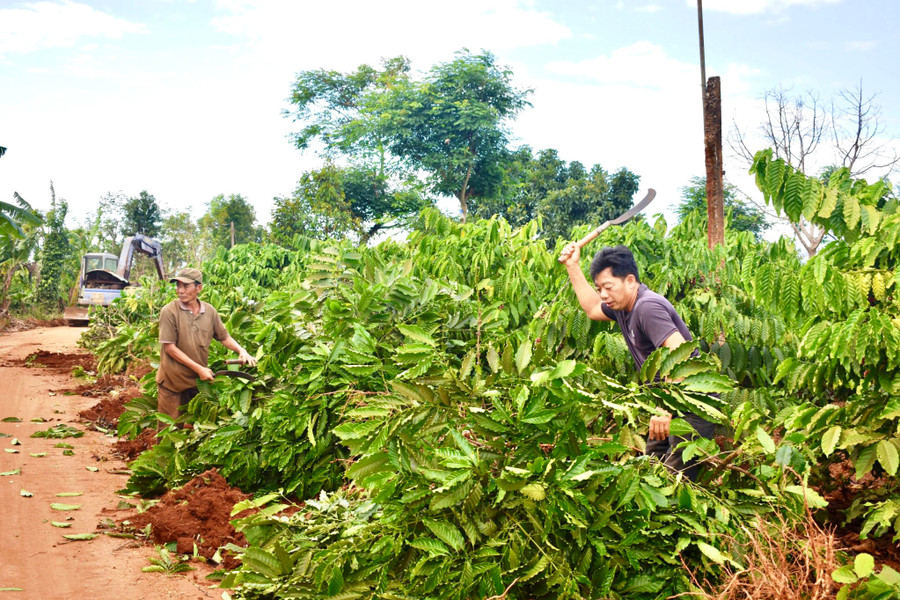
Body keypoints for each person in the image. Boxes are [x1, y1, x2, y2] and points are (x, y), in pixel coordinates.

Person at [558, 243, 714, 480]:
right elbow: (591, 308)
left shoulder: (647, 307)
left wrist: (666, 409)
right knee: (650, 471)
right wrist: (572, 266)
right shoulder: (622, 307)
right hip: (668, 403)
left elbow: (679, 354)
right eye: (599, 288)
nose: (603, 295)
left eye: (608, 287)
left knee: (676, 482)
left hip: (693, 405)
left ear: (630, 280)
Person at [155, 267, 257, 427]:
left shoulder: (209, 311)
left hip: (197, 382)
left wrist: (241, 351)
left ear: (199, 288)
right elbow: (170, 348)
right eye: (178, 286)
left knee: (198, 427)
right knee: (170, 430)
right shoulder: (169, 312)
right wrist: (200, 369)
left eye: (185, 286)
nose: (180, 291)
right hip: (172, 381)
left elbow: (224, 337)